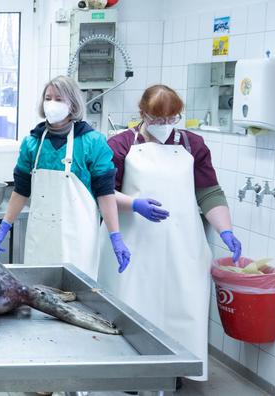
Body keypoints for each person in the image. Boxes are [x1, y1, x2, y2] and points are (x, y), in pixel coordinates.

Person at [99, 85, 239, 383]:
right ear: (142, 114)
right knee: (134, 306)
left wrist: (225, 229)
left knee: (182, 306)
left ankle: (176, 372)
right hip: (133, 243)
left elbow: (208, 192)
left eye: (171, 119)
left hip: (181, 244)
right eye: (157, 119)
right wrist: (134, 204)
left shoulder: (193, 145)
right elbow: (103, 193)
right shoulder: (121, 144)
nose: (164, 126)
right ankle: (129, 376)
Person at [0, 76, 130, 278]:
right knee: (39, 294)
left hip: (78, 242)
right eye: (48, 98)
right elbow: (21, 191)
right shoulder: (32, 143)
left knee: (75, 297)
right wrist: (4, 226)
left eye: (59, 99)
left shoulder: (92, 142)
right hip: (40, 238)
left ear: (72, 104)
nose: (51, 104)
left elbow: (105, 194)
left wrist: (115, 236)